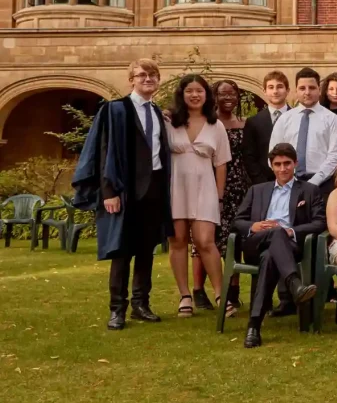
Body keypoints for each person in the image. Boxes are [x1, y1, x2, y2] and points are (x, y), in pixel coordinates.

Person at [72, 58, 174, 331]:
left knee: (146, 250)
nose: (147, 79)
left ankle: (142, 304)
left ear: (158, 80)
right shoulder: (116, 110)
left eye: (152, 75)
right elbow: (105, 151)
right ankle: (117, 309)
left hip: (153, 188)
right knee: (121, 250)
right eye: (141, 75)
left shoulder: (156, 112)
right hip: (124, 190)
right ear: (131, 80)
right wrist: (109, 191)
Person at [233, 142, 324, 348]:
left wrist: (291, 231)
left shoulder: (309, 191)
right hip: (256, 244)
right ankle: (294, 284)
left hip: (288, 247)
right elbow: (237, 221)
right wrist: (254, 225)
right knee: (274, 235)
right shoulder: (257, 190)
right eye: (278, 164)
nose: (283, 169)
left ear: (295, 164)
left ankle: (253, 326)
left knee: (270, 256)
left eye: (287, 164)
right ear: (271, 166)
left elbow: (319, 222)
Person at [166, 74, 230, 318]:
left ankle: (220, 294)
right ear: (182, 95)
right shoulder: (170, 122)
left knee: (205, 241)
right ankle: (185, 296)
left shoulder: (216, 125)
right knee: (178, 240)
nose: (194, 95)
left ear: (207, 95)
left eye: (199, 91)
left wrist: (220, 197)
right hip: (175, 188)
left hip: (206, 188)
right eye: (189, 91)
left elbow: (221, 164)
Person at [269, 67, 337, 200]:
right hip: (288, 183)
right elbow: (272, 154)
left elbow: (335, 156)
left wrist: (313, 182)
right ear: (296, 90)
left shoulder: (332, 119)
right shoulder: (285, 119)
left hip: (322, 184)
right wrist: (287, 178)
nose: (307, 92)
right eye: (302, 88)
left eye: (312, 88)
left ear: (319, 90)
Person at [208, 79, 250, 318]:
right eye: (222, 93)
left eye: (232, 93)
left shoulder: (245, 123)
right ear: (214, 97)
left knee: (240, 241)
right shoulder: (210, 124)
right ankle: (211, 291)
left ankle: (235, 290)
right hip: (218, 186)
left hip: (242, 188)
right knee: (218, 241)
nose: (228, 97)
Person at [241, 71, 290, 186]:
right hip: (264, 183)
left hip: (294, 181)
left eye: (280, 87)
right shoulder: (254, 122)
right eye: (271, 87)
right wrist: (261, 182)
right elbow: (249, 156)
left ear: (287, 90)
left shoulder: (298, 118)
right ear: (264, 91)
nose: (275, 91)